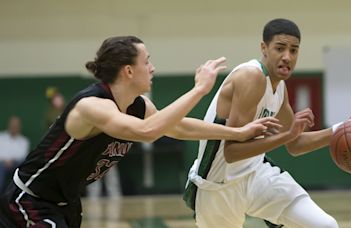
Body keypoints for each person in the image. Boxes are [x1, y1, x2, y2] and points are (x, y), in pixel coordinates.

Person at [0, 36, 274, 228]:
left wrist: (235, 133)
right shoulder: (92, 106)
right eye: (147, 61)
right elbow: (148, 130)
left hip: (67, 203)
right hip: (31, 199)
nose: (152, 68)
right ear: (129, 70)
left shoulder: (138, 106)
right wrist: (200, 89)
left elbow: (177, 126)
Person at [184, 18, 340, 228]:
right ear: (264, 48)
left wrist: (338, 131)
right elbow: (232, 152)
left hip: (257, 175)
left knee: (325, 225)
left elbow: (295, 145)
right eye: (280, 48)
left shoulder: (280, 88)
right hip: (218, 185)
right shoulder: (251, 76)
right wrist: (286, 135)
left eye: (294, 50)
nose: (287, 57)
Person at [0, 116, 29, 192]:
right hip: (2, 163)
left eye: (16, 125)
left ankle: (17, 193)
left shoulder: (24, 141)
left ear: (19, 127)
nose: (14, 127)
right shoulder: (1, 137)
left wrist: (11, 160)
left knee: (22, 164)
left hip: (16, 164)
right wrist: (5, 161)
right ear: (9, 125)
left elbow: (23, 155)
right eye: (12, 125)